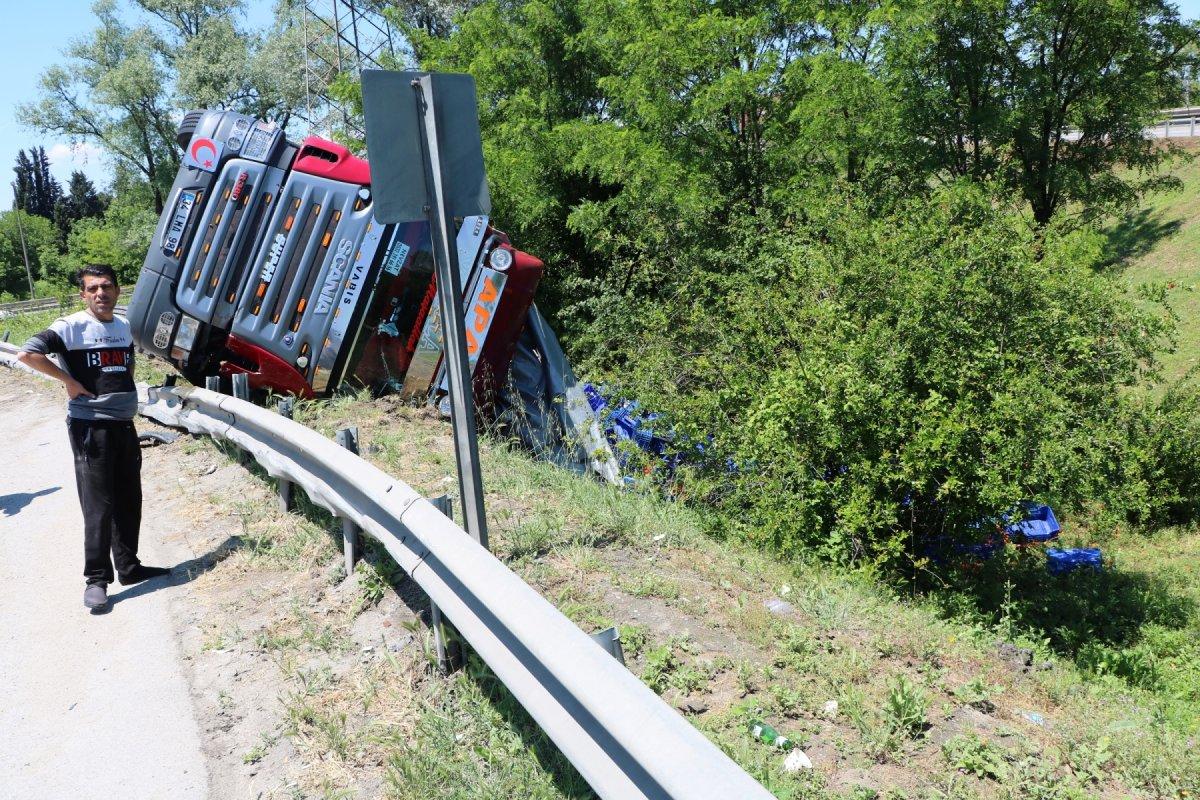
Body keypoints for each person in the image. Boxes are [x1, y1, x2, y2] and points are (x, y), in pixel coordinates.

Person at [17, 264, 169, 610]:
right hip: (91, 427)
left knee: (129, 497)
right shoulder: (71, 327)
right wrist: (68, 382)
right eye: (93, 288)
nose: (101, 293)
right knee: (99, 504)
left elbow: (126, 366)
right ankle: (96, 580)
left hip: (124, 424)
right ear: (84, 295)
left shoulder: (123, 325)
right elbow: (29, 353)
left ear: (117, 290)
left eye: (107, 286)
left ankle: (130, 567)